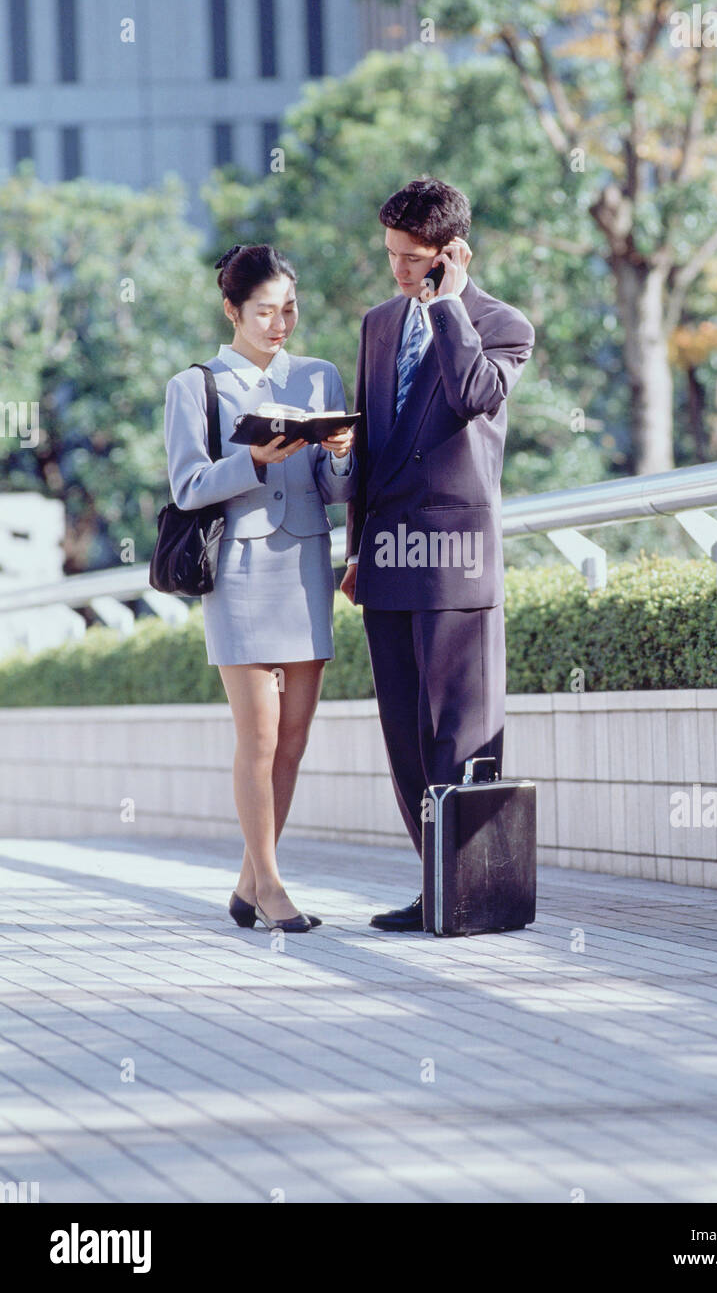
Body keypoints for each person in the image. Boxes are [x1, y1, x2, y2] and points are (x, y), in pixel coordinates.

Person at [340, 178, 535, 930]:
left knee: (460, 731)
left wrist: (448, 305)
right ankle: (435, 888)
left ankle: (471, 892)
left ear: (452, 253)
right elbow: (373, 446)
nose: (398, 271)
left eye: (414, 258)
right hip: (387, 556)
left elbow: (473, 395)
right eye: (390, 254)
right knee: (404, 735)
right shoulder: (378, 324)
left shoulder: (500, 323)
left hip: (456, 557)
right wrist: (356, 548)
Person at [164, 243, 356, 933]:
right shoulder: (195, 387)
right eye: (265, 312)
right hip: (240, 575)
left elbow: (338, 491)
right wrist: (249, 459)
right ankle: (272, 884)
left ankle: (248, 882)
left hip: (305, 565)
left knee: (296, 739)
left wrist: (340, 456)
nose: (280, 325)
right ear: (232, 310)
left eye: (289, 310)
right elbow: (188, 486)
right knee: (261, 736)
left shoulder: (319, 378)